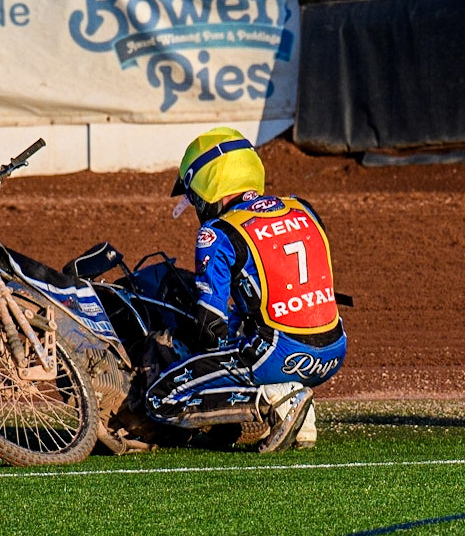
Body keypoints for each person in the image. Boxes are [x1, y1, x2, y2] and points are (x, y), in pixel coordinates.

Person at [144, 127, 347, 453]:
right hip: (332, 351)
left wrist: (194, 353)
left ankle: (273, 397)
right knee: (247, 327)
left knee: (159, 398)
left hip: (277, 355)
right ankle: (299, 415)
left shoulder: (218, 232)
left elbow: (210, 326)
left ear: (210, 183)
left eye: (194, 195)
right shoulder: (302, 208)